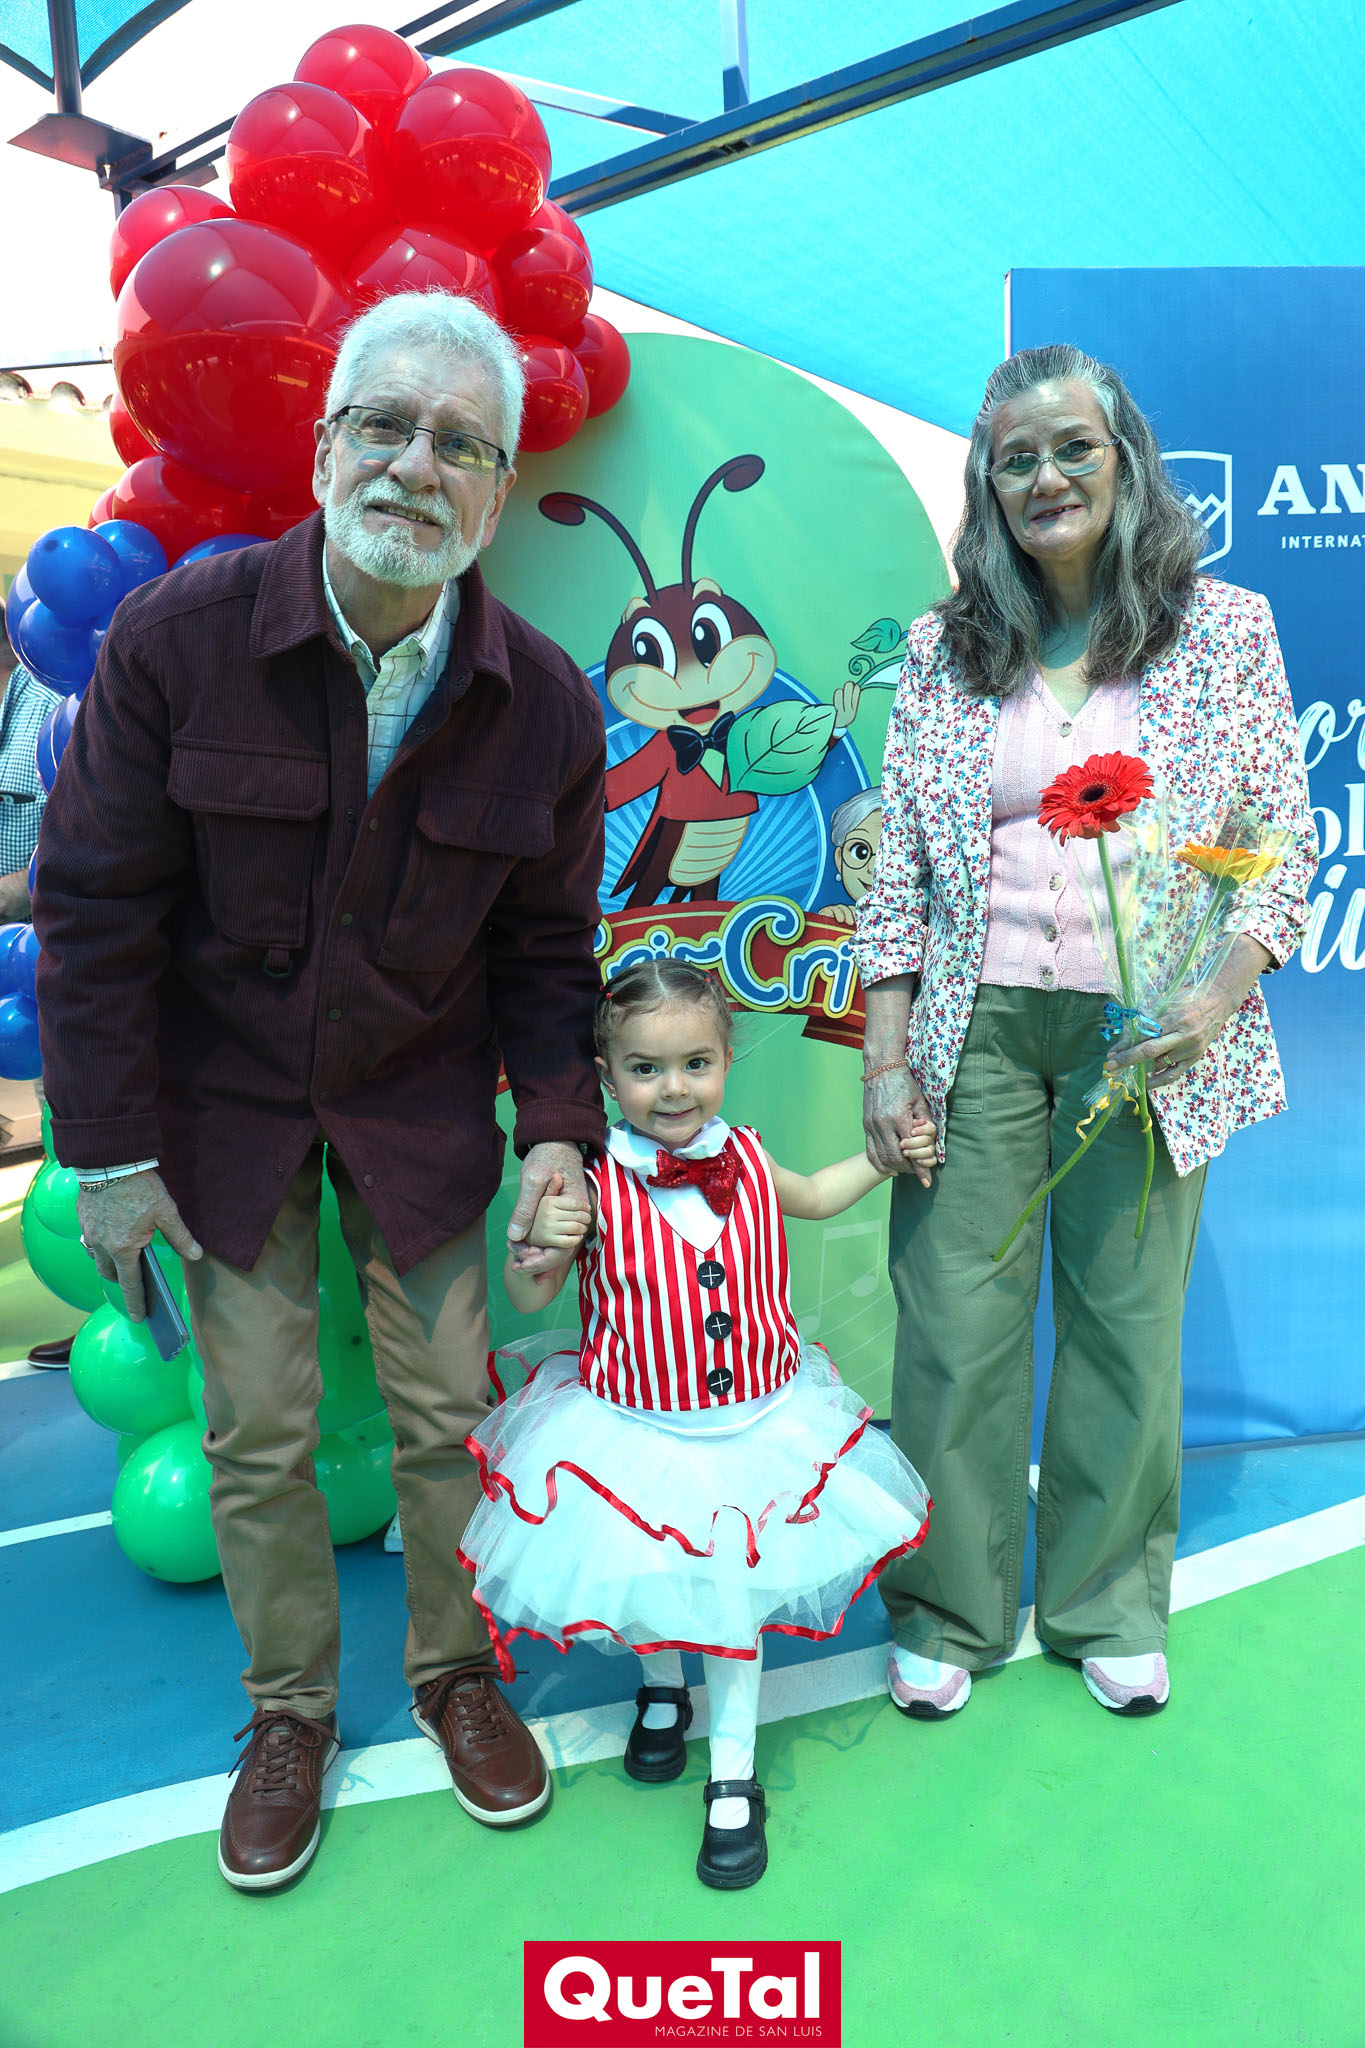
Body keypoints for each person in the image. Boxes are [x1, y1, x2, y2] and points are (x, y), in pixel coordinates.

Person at [33, 292, 608, 1890]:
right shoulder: (178, 640)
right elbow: (95, 910)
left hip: (417, 1113)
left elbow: (549, 953)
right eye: (386, 424)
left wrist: (561, 1136)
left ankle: (455, 1677)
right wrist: (111, 1157)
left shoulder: (548, 706)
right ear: (323, 445)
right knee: (258, 1431)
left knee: (452, 1421)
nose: (417, 465)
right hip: (219, 1115)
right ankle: (287, 1713)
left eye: (460, 444)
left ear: (498, 492)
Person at [856, 343, 1316, 1721]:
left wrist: (1211, 1001)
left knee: (1124, 1323)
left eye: (1073, 448)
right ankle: (950, 1606)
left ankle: (1106, 1601)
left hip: (1147, 1039)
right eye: (1017, 458)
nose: (1046, 476)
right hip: (974, 1035)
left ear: (1124, 461)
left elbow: (1279, 843)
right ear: (988, 486)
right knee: (954, 1320)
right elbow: (899, 875)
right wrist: (886, 1058)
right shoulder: (944, 647)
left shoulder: (1223, 628)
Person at [459, 958, 933, 1890]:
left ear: (725, 1061)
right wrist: (533, 1249)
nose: (672, 1088)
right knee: (652, 1573)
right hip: (636, 1430)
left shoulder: (747, 1156)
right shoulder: (590, 1182)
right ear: (606, 1077)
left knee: (729, 1604)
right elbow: (533, 1293)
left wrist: (884, 1158)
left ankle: (732, 1775)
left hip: (755, 1429)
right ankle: (661, 1688)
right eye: (645, 1069)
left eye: (694, 1064)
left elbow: (817, 1195)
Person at [0, 623, 73, 1367]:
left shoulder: (53, 699)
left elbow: (75, 852)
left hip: (56, 972)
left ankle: (132, 1313)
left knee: (86, 1145)